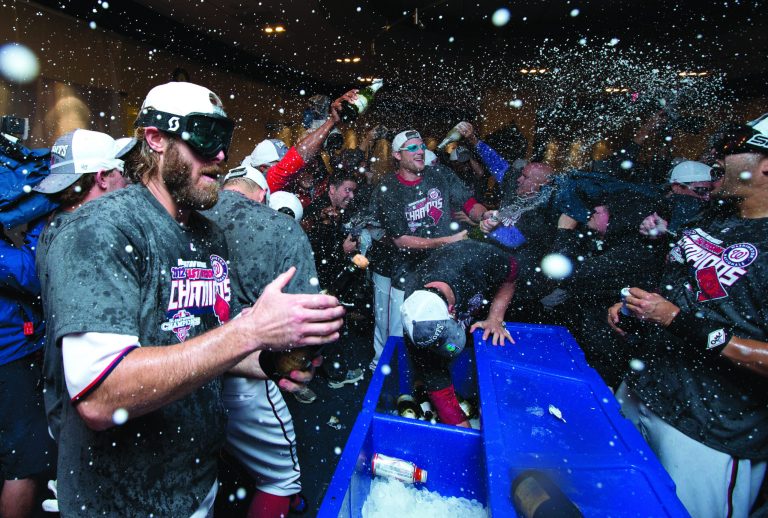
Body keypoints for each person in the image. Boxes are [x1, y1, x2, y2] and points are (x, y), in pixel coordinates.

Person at [39, 81, 344, 516]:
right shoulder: (101, 230)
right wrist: (249, 330)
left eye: (225, 139)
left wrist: (267, 357)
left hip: (195, 483)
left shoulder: (208, 236)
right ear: (155, 138)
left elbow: (205, 343)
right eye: (205, 137)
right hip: (120, 500)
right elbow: (99, 395)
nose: (220, 155)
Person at [608, 113, 768, 517]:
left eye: (735, 146)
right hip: (646, 390)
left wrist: (679, 322)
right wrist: (639, 309)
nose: (718, 156)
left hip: (710, 430)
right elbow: (684, 290)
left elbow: (687, 318)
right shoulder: (713, 216)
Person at [203, 165, 320, 517]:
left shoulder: (186, 212)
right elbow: (305, 311)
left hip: (183, 361)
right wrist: (304, 361)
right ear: (263, 194)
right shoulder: (281, 227)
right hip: (247, 363)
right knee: (281, 478)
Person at [34, 129, 130, 442]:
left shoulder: (57, 223)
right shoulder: (84, 238)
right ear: (102, 177)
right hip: (81, 401)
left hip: (62, 390)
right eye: (120, 172)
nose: (126, 181)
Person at [369, 129, 493, 370]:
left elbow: (468, 203)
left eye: (422, 146)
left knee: (433, 322)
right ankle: (383, 372)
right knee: (394, 327)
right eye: (412, 147)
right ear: (397, 155)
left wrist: (484, 215)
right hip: (400, 267)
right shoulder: (389, 188)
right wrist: (447, 241)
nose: (420, 151)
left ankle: (420, 374)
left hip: (438, 266)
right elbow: (401, 240)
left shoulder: (440, 174)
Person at [400, 240, 517, 427]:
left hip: (487, 297)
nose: (447, 347)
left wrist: (495, 317)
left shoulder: (476, 260)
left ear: (452, 311)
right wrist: (463, 430)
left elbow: (512, 271)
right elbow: (438, 385)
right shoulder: (415, 321)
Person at [1, 217, 54, 518]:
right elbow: (30, 271)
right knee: (24, 463)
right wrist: (43, 219)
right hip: (9, 359)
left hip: (15, 352)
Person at [302, 169, 365, 390]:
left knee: (329, 328)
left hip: (332, 281)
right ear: (331, 190)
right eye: (347, 190)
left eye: (353, 191)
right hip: (319, 283)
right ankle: (335, 374)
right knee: (328, 329)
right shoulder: (318, 213)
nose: (351, 196)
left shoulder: (341, 211)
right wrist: (343, 249)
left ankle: (321, 372)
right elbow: (313, 254)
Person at [247, 90, 358, 194]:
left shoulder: (246, 184)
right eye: (280, 164)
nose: (292, 170)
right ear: (263, 168)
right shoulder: (267, 186)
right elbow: (296, 159)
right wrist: (332, 121)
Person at [639, 160, 714, 238]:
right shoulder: (684, 205)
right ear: (676, 187)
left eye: (711, 191)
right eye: (702, 190)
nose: (707, 196)